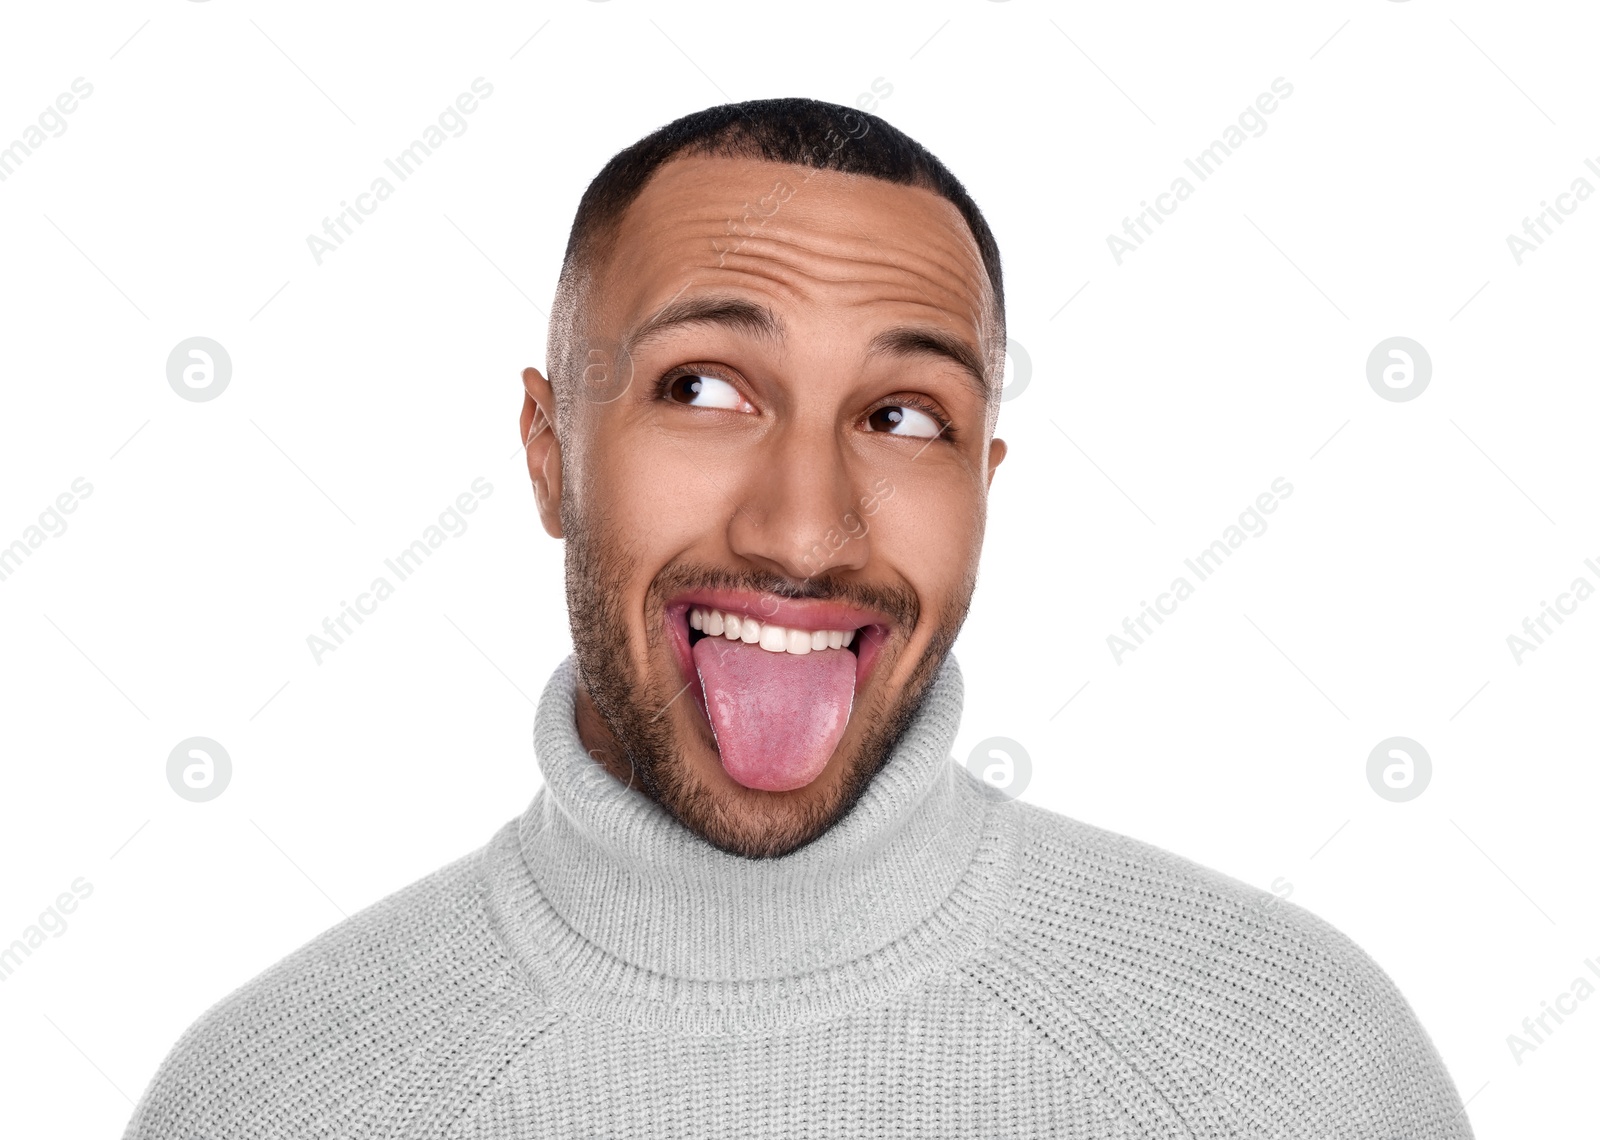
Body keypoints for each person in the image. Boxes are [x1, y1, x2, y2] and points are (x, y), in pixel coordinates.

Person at [125, 97, 1474, 1138]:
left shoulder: (1289, 1061)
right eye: (706, 388)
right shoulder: (273, 1097)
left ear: (984, 481)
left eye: (903, 417)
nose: (803, 528)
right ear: (549, 450)